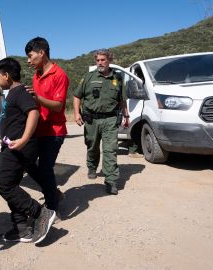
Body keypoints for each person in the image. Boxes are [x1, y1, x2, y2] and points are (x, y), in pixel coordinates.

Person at [0, 57, 56, 245]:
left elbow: (34, 112)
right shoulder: (12, 93)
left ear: (7, 75)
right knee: (9, 184)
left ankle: (41, 213)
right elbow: (13, 120)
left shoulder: (20, 91)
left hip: (21, 147)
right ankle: (22, 228)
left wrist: (23, 139)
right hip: (11, 146)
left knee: (4, 183)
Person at [73, 49, 130, 195]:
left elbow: (122, 100)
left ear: (109, 60)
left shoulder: (117, 78)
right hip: (91, 119)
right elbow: (77, 96)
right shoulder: (89, 77)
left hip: (110, 119)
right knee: (92, 146)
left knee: (110, 149)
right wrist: (76, 113)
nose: (100, 63)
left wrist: (126, 116)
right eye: (97, 60)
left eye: (103, 60)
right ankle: (92, 166)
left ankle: (111, 180)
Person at [23, 37, 69, 214]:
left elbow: (58, 106)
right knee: (27, 162)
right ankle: (53, 192)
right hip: (38, 129)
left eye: (30, 56)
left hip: (54, 131)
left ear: (41, 53)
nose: (28, 60)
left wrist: (37, 98)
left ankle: (51, 207)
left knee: (45, 167)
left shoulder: (59, 75)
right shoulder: (37, 75)